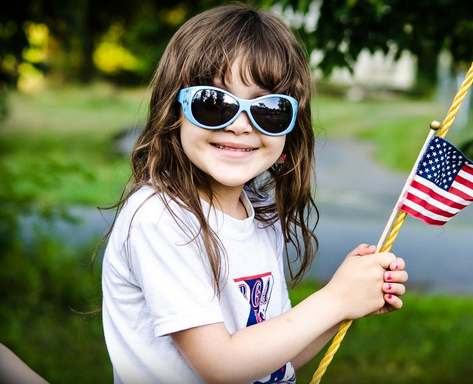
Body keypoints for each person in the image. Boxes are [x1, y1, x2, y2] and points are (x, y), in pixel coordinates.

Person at [101, 3, 408, 384]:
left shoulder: (259, 214)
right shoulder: (159, 217)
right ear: (174, 110)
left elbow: (276, 358)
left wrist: (344, 303)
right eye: (214, 104)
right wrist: (334, 300)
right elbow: (222, 366)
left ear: (289, 130)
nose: (241, 126)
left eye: (269, 110)